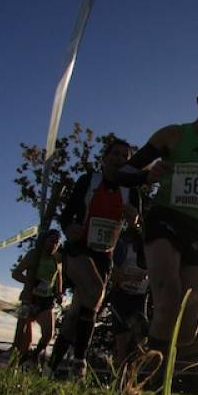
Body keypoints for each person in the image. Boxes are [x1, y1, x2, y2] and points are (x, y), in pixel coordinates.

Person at [110, 78, 198, 395]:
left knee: (189, 324)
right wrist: (147, 175)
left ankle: (145, 338)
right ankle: (157, 393)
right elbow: (121, 173)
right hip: (165, 219)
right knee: (168, 299)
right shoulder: (172, 135)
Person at [47, 138, 146, 376]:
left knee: (77, 312)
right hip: (79, 249)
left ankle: (50, 369)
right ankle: (79, 363)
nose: (120, 159)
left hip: (105, 255)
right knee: (94, 291)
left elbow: (137, 224)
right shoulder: (88, 181)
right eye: (116, 154)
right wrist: (69, 228)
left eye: (125, 156)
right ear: (105, 157)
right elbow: (67, 215)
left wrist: (134, 219)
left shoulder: (131, 191)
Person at [10, 229, 63, 365]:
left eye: (57, 243)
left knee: (48, 335)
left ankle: (35, 355)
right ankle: (20, 361)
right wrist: (31, 281)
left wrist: (59, 292)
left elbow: (59, 278)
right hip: (30, 299)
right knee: (25, 338)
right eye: (51, 241)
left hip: (46, 300)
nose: (53, 245)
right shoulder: (34, 254)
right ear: (44, 241)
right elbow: (16, 274)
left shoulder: (57, 259)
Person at [107, 226, 149, 369]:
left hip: (139, 299)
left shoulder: (156, 251)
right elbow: (112, 275)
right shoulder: (124, 247)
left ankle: (131, 381)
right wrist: (131, 277)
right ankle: (119, 385)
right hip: (121, 297)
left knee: (142, 338)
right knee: (122, 344)